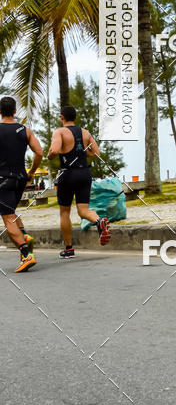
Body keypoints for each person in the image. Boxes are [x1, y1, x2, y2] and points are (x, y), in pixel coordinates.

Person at [48, 105, 111, 256]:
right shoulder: (85, 132)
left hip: (67, 174)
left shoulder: (59, 132)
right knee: (83, 210)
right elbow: (96, 153)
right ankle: (98, 221)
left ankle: (69, 248)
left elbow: (55, 150)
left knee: (64, 212)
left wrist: (50, 155)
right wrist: (82, 153)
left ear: (62, 117)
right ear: (75, 117)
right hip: (84, 173)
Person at [0, 95, 43, 272]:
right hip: (20, 179)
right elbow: (39, 152)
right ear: (15, 111)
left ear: (0, 112)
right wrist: (31, 172)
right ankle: (24, 235)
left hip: (3, 180)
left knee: (7, 216)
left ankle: (26, 254)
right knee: (12, 212)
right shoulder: (25, 130)